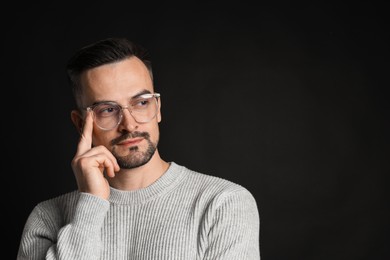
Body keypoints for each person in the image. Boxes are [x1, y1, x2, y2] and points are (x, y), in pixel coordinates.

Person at [17, 37, 261, 259]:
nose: (129, 124)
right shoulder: (47, 218)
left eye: (141, 103)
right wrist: (90, 203)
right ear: (81, 124)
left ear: (158, 108)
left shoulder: (222, 203)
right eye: (108, 110)